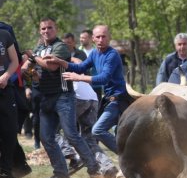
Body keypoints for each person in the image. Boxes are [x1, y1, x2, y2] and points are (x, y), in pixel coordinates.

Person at [24, 17, 103, 178]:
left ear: (56, 29)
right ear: (40, 31)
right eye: (43, 29)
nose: (46, 31)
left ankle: (94, 170)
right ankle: (61, 174)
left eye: (50, 28)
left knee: (71, 135)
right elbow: (38, 76)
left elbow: (51, 66)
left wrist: (33, 56)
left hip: (63, 97)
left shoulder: (61, 47)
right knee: (46, 137)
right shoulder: (39, 48)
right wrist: (31, 73)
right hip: (46, 98)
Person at [45, 24, 132, 155]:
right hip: (108, 100)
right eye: (98, 37)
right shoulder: (94, 54)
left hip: (118, 100)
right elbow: (81, 67)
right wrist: (60, 61)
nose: (101, 39)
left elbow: (104, 78)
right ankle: (126, 160)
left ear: (109, 37)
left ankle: (126, 157)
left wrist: (78, 78)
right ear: (93, 39)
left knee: (97, 130)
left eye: (104, 36)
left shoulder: (112, 55)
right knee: (110, 134)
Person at [0, 29, 19, 178]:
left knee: (10, 130)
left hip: (5, 90)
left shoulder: (4, 34)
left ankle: (6, 170)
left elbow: (15, 61)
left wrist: (6, 76)